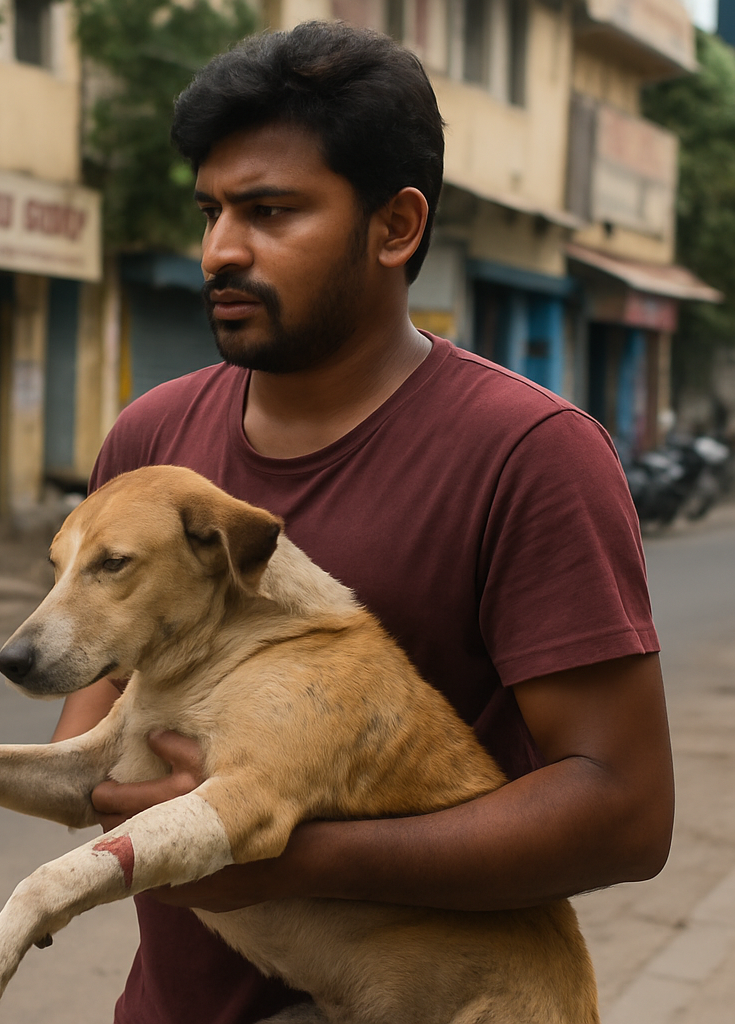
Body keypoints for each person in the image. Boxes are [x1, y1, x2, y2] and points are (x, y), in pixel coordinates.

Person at [51, 21, 674, 1024]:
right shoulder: (151, 441)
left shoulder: (529, 454)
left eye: (268, 211)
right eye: (210, 210)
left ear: (395, 227)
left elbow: (623, 809)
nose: (220, 249)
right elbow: (99, 721)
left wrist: (278, 852)